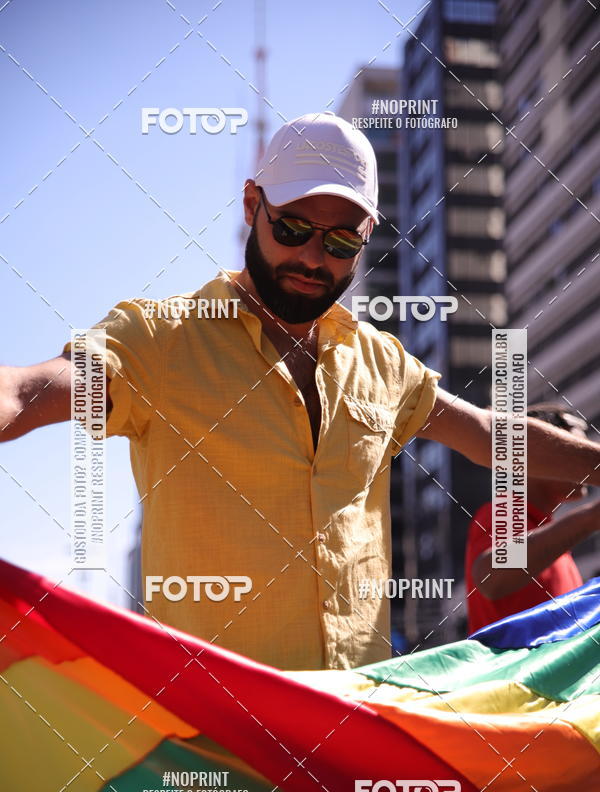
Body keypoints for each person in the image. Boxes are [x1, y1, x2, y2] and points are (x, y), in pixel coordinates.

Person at [1, 112, 600, 671]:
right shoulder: (161, 340)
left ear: (366, 236)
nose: (314, 257)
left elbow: (488, 435)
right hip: (216, 750)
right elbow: (30, 391)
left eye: (341, 242)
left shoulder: (381, 362)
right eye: (292, 228)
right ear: (251, 204)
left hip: (352, 736)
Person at [465, 404, 599, 634]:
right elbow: (490, 576)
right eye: (575, 451)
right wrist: (590, 518)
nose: (587, 464)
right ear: (535, 455)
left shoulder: (548, 536)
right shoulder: (505, 512)